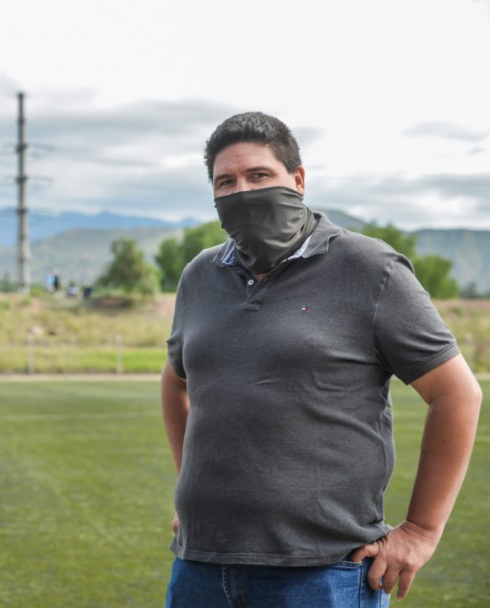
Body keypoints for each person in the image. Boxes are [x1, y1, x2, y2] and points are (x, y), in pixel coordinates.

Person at [161, 111, 482, 607]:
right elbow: (175, 379)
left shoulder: (370, 269)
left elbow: (456, 392)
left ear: (298, 180)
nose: (242, 192)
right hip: (200, 568)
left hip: (322, 574)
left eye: (259, 175)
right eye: (226, 182)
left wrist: (421, 530)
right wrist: (190, 490)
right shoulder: (200, 274)